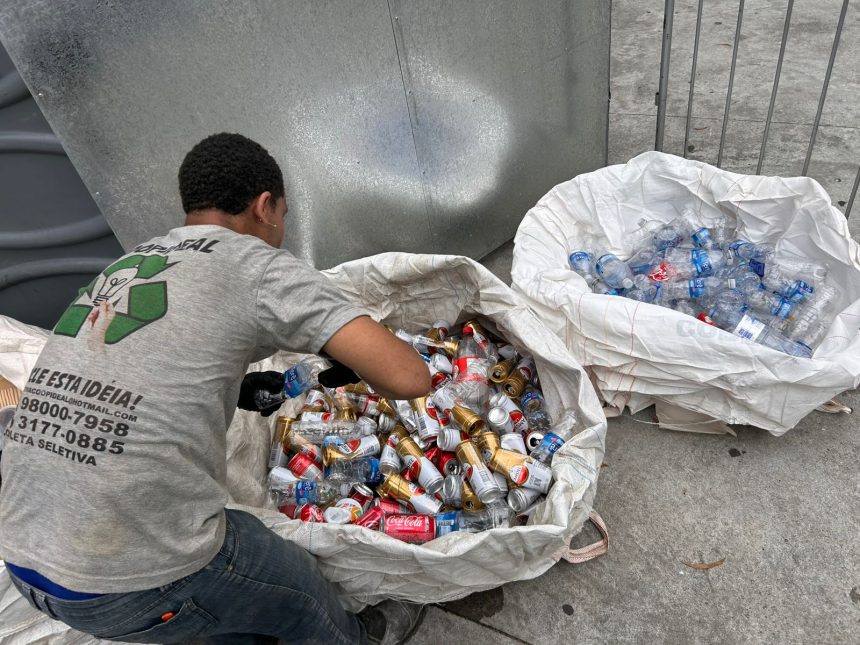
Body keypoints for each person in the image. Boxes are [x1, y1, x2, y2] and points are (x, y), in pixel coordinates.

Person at [0, 133, 431, 644]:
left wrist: (240, 388)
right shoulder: (257, 263)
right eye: (285, 215)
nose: (281, 231)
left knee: (212, 616)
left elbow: (145, 359)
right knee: (294, 586)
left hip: (22, 557)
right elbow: (410, 377)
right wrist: (353, 357)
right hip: (126, 581)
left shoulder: (131, 264)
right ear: (265, 206)